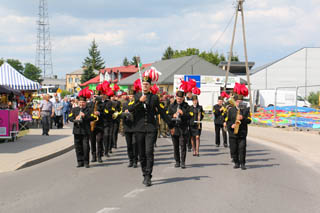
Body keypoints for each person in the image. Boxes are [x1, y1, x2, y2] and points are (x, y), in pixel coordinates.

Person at [128, 72, 173, 187]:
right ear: (141, 85)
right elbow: (131, 109)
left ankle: (148, 176)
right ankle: (144, 173)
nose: (145, 86)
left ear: (150, 85)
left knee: (149, 152)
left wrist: (171, 125)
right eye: (143, 84)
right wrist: (140, 102)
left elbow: (162, 112)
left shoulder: (154, 97)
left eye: (147, 84)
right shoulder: (137, 96)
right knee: (141, 154)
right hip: (139, 128)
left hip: (151, 128)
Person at [68, 90, 97, 168]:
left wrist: (85, 116)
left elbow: (93, 117)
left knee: (86, 147)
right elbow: (70, 117)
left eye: (83, 102)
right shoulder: (75, 109)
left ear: (85, 102)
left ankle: (86, 162)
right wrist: (75, 119)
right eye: (80, 102)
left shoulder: (89, 109)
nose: (81, 104)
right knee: (78, 147)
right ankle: (79, 161)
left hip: (85, 131)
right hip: (77, 131)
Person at [226, 94, 251, 170]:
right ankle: (236, 162)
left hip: (242, 133)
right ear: (235, 102)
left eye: (240, 101)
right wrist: (231, 125)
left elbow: (249, 120)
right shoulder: (231, 110)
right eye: (237, 102)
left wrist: (243, 118)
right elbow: (228, 121)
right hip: (233, 133)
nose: (239, 103)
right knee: (233, 149)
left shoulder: (246, 110)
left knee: (242, 148)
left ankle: (242, 163)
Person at [168, 91, 192, 169]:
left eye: (180, 99)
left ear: (183, 98)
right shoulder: (172, 106)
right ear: (176, 97)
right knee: (175, 146)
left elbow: (190, 116)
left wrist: (183, 113)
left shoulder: (186, 106)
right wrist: (173, 115)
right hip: (174, 128)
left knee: (183, 146)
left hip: (183, 128)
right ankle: (177, 161)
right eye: (178, 98)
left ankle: (183, 162)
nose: (179, 100)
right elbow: (167, 116)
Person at [122, 91, 138, 168]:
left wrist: (131, 113)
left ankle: (135, 161)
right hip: (127, 127)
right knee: (129, 145)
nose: (131, 97)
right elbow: (122, 114)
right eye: (130, 96)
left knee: (134, 144)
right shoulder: (125, 104)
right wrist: (124, 113)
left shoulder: (136, 104)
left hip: (135, 126)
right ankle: (130, 160)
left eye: (132, 96)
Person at [89, 95, 104, 163]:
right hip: (92, 125)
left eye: (96, 97)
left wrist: (99, 113)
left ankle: (99, 156)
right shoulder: (89, 104)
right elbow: (87, 113)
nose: (94, 98)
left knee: (99, 140)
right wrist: (92, 113)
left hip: (99, 125)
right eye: (93, 97)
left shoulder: (101, 104)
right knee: (92, 141)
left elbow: (105, 114)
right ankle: (93, 156)